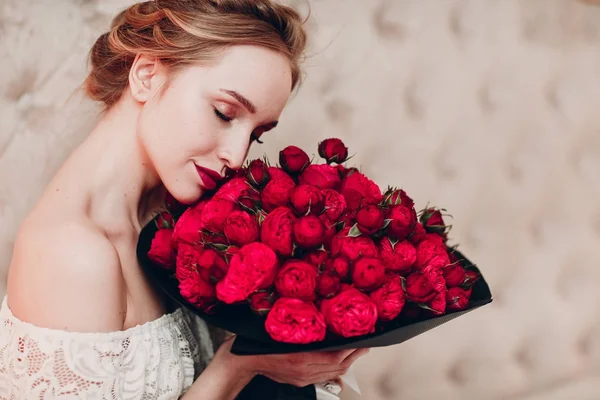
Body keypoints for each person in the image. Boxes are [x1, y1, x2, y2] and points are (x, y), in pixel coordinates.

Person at [0, 0, 369, 398]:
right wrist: (237, 366)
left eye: (256, 134)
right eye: (225, 113)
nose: (237, 156)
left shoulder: (178, 217)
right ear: (146, 75)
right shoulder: (71, 253)